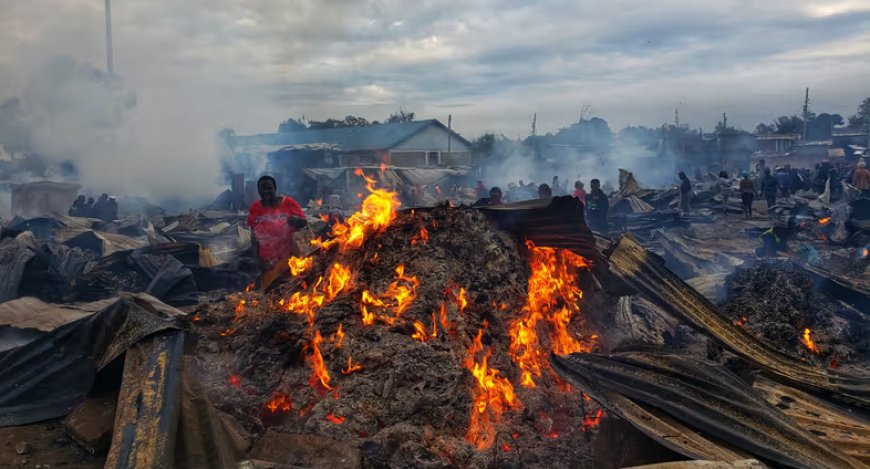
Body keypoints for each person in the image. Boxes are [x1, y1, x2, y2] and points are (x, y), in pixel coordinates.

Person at [247, 175, 308, 269]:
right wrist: (257, 260)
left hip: (291, 261)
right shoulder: (255, 208)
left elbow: (304, 223)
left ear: (275, 189)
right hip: (267, 263)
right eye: (263, 189)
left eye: (269, 188)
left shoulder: (288, 203)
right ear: (258, 191)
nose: (266, 191)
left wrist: (296, 220)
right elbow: (254, 238)